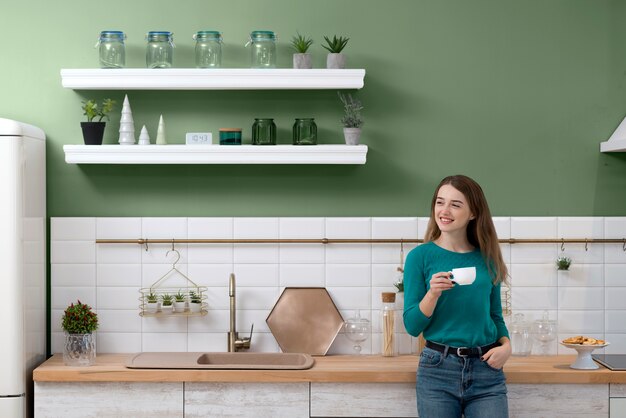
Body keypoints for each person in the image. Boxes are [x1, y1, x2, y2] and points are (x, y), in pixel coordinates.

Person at [403, 174, 511, 418]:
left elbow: (494, 315)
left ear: (473, 213)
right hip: (437, 369)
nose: (445, 210)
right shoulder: (419, 257)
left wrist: (506, 346)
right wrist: (432, 293)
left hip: (487, 370)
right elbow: (411, 326)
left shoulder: (488, 258)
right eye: (440, 202)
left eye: (455, 204)